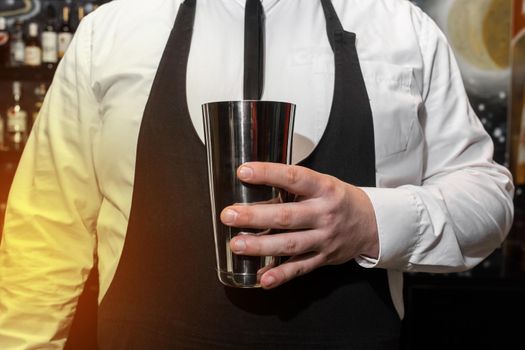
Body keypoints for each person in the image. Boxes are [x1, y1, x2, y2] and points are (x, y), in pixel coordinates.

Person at [0, 0, 514, 349]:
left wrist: (371, 221)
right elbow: (46, 230)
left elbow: (486, 197)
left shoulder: (402, 27)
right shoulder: (112, 29)